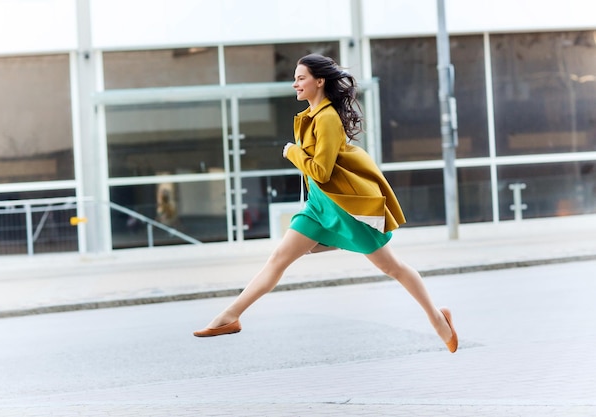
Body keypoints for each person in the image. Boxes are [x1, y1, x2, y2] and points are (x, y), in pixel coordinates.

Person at [193, 53, 458, 353]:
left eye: (301, 77)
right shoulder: (309, 117)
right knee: (279, 258)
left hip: (343, 210)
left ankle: (437, 319)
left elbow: (321, 170)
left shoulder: (328, 118)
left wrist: (292, 152)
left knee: (393, 267)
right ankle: (229, 316)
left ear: (319, 81)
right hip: (318, 208)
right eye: (295, 78)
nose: (295, 83)